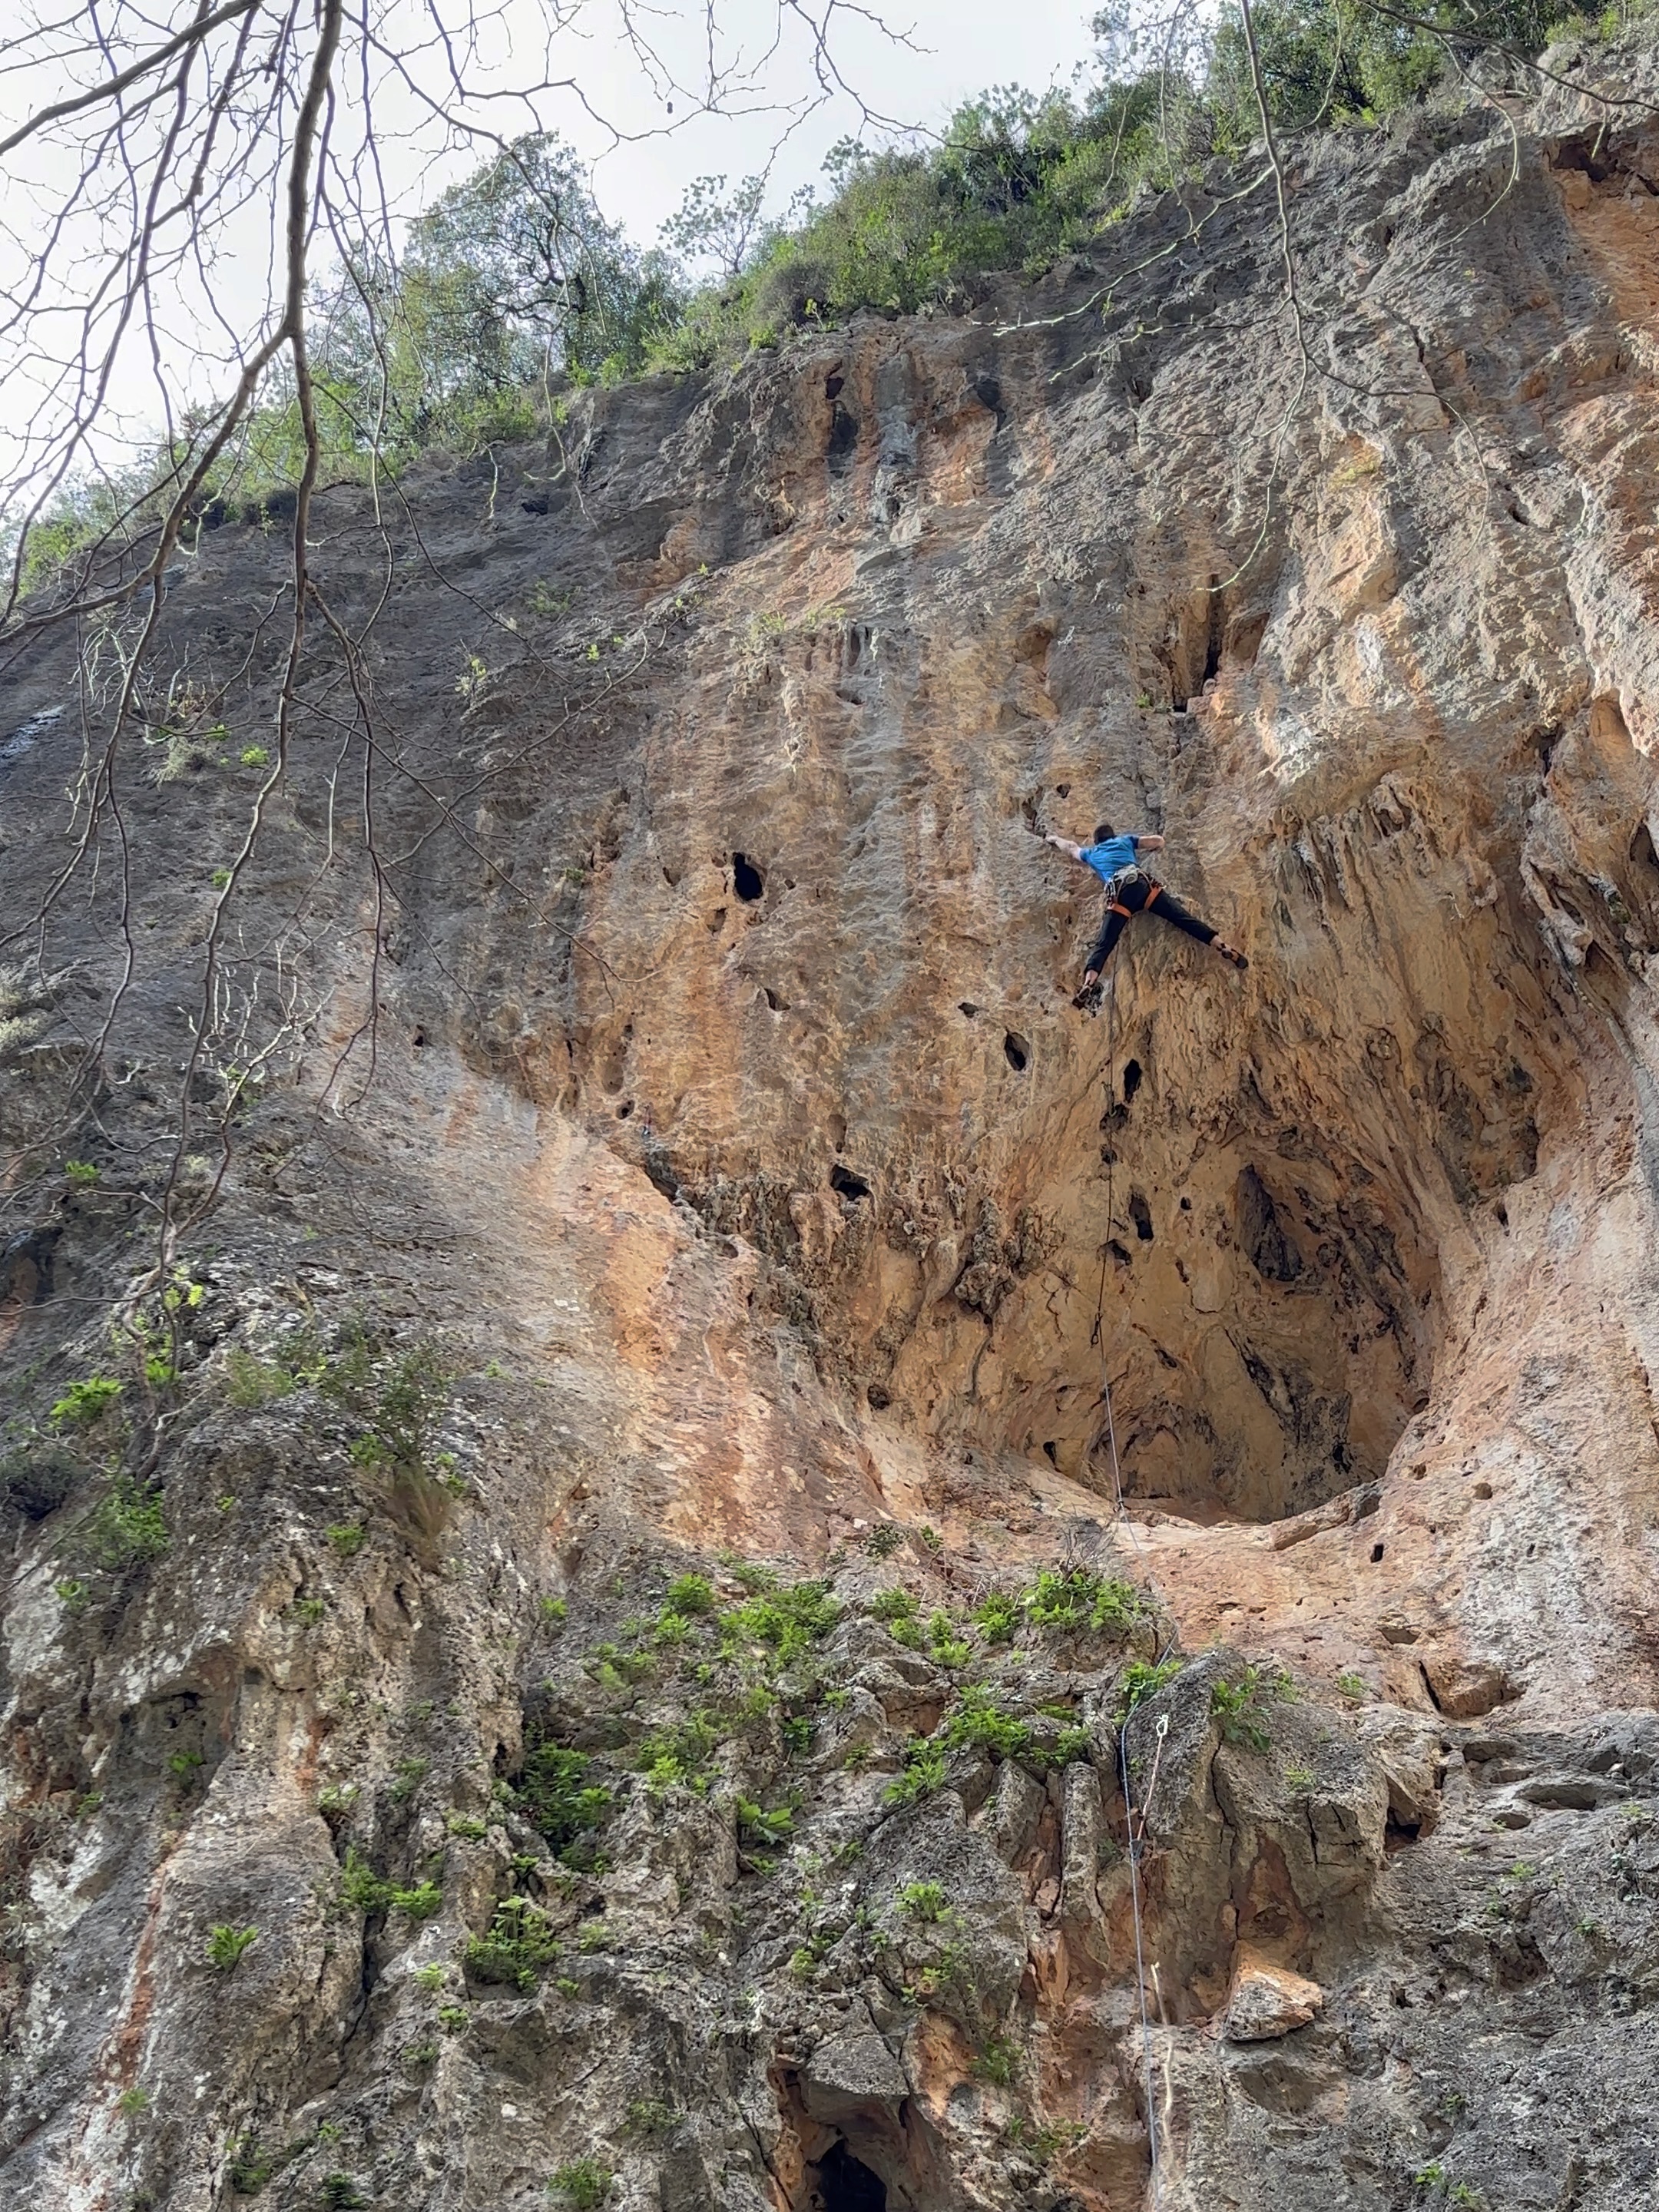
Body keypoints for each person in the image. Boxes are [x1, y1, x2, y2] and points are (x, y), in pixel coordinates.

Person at [1044, 820, 1247, 1005]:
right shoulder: (1125, 841)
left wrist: (1054, 839)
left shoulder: (1092, 853)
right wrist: (1155, 844)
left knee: (1105, 943)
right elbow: (1158, 841)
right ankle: (1222, 945)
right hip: (1145, 888)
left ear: (1097, 842)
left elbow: (1071, 848)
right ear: (1113, 836)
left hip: (1120, 897)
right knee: (1184, 919)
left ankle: (1088, 982)